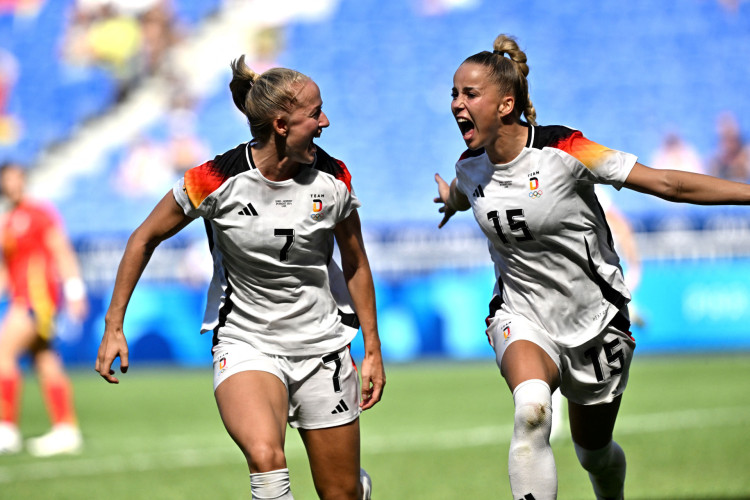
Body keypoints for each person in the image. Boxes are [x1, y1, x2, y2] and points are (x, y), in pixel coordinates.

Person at [433, 34, 750, 500]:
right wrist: (451, 201)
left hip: (596, 321)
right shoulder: (469, 166)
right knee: (533, 410)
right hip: (521, 314)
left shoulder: (566, 148)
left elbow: (667, 184)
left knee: (594, 453)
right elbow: (464, 189)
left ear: (505, 104)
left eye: (469, 94)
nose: (457, 104)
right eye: (453, 94)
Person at [96, 56, 385, 500]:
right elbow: (143, 239)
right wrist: (114, 324)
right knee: (267, 460)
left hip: (322, 347)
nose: (325, 122)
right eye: (315, 113)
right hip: (246, 341)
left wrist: (372, 349)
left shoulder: (334, 178)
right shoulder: (214, 179)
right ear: (281, 124)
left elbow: (356, 262)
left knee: (341, 493)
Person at [0, 162, 88, 456]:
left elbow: (61, 250)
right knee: (44, 359)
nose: (13, 184)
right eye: (8, 179)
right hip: (22, 297)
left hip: (36, 298)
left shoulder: (38, 214)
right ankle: (66, 429)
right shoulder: (9, 220)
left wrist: (75, 291)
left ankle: (6, 429)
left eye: (17, 178)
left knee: (4, 354)